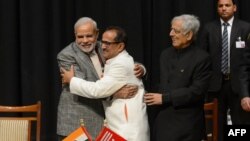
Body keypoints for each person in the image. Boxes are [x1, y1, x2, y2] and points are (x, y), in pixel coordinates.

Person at [56, 17, 145, 140]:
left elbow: (123, 61)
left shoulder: (103, 46)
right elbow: (83, 85)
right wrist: (114, 94)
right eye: (80, 37)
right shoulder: (66, 55)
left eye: (89, 36)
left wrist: (140, 68)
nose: (85, 41)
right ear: (75, 35)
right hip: (76, 120)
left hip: (101, 120)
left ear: (97, 33)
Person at [144, 14, 211, 141]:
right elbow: (162, 84)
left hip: (187, 124)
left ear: (189, 35)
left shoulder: (202, 58)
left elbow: (197, 91)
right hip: (163, 120)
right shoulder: (165, 54)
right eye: (171, 29)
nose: (170, 34)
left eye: (176, 31)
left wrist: (165, 98)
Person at [199, 0, 250, 140]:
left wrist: (246, 93)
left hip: (238, 86)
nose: (224, 8)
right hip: (215, 86)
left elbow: (247, 62)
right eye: (220, 6)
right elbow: (202, 59)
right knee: (216, 126)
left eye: (227, 5)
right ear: (217, 9)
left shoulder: (246, 28)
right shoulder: (208, 28)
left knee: (239, 127)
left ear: (234, 8)